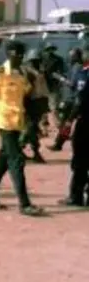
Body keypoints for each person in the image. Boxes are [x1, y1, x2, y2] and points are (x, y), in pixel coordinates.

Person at [0, 40, 42, 216]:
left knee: (4, 159)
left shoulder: (23, 73)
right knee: (17, 160)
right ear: (8, 53)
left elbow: (28, 97)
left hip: (18, 121)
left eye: (22, 54)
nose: (20, 56)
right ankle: (25, 204)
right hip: (3, 121)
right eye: (16, 53)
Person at [59, 53, 89, 206]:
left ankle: (76, 196)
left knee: (80, 160)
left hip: (86, 123)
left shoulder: (85, 73)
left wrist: (69, 120)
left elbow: (80, 100)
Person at [48, 47, 84, 152]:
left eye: (71, 56)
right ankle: (59, 143)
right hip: (75, 100)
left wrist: (59, 78)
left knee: (66, 123)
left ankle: (59, 144)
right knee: (66, 123)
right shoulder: (76, 67)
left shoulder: (77, 68)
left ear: (76, 57)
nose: (69, 58)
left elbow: (72, 84)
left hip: (73, 101)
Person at [22, 49, 49, 163]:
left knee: (33, 129)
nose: (35, 62)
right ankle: (20, 148)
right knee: (30, 129)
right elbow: (26, 90)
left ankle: (22, 149)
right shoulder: (28, 72)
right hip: (31, 104)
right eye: (33, 60)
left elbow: (43, 89)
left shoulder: (40, 71)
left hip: (39, 103)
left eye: (37, 60)